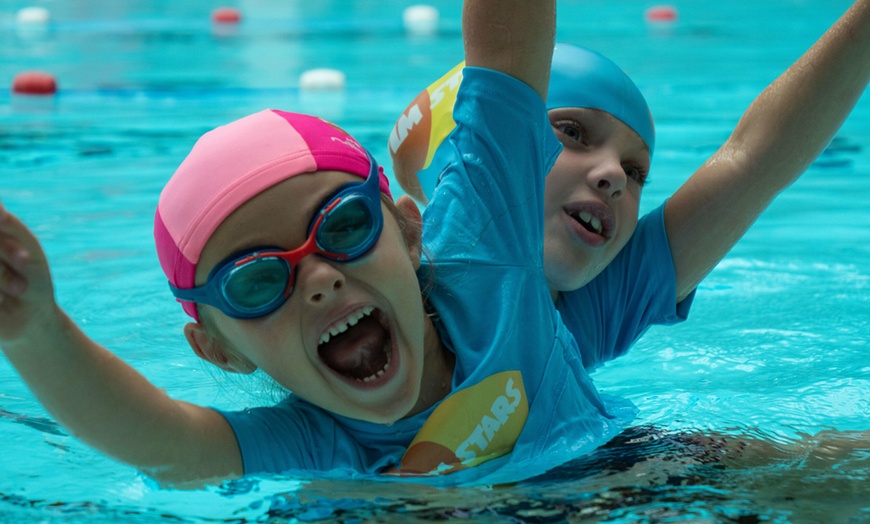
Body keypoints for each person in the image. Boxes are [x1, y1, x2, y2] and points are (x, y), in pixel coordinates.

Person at [0, 0, 636, 488]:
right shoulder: (310, 443)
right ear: (220, 350)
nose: (319, 278)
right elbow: (165, 445)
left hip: (632, 477)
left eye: (343, 226)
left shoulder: (489, 271)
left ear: (409, 231)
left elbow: (506, 51)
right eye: (255, 281)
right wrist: (35, 331)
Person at [390, 0, 870, 371]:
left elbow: (753, 161)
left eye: (636, 171)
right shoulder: (443, 263)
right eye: (573, 132)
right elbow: (505, 43)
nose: (616, 175)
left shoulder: (591, 312)